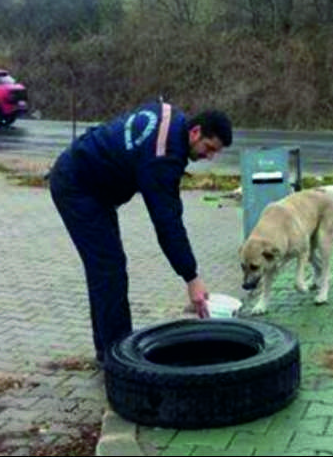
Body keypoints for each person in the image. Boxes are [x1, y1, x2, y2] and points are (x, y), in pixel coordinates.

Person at [48, 101, 233, 365]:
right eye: (209, 148)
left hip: (92, 185)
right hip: (77, 187)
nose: (210, 156)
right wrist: (191, 277)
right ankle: (117, 361)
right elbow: (167, 221)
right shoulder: (164, 156)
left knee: (106, 269)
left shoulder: (172, 117)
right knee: (108, 270)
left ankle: (107, 350)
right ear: (195, 132)